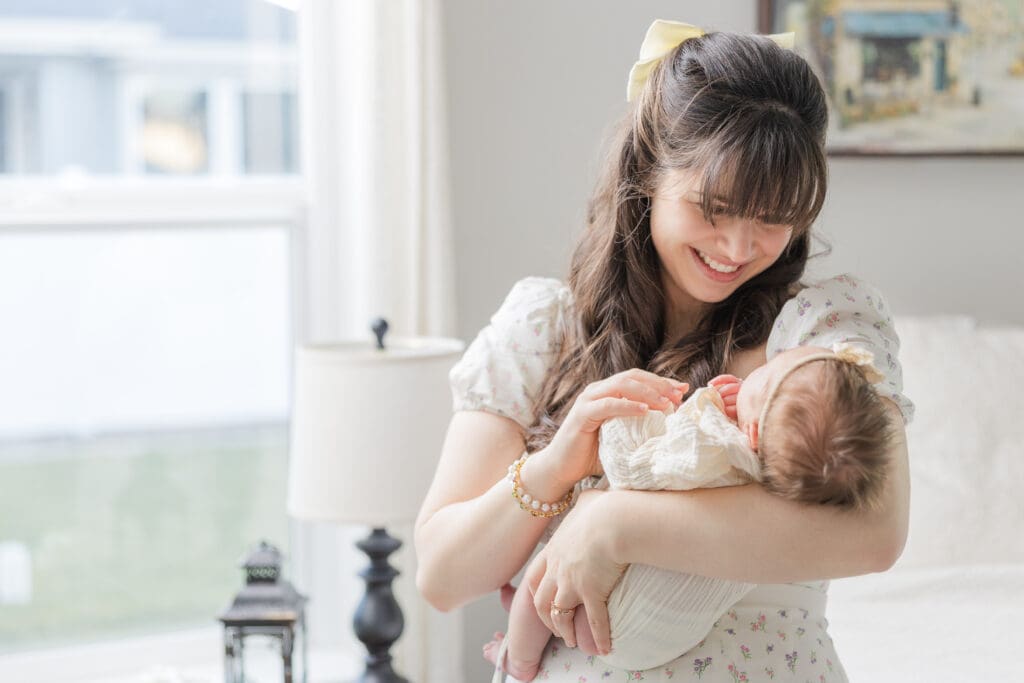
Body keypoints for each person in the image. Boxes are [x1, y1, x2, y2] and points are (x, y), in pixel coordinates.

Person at [414, 19, 914, 682]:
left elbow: (877, 534)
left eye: (772, 217)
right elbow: (441, 576)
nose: (738, 247)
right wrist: (555, 468)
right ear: (648, 172)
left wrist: (612, 524)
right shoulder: (543, 330)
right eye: (714, 207)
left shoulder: (816, 334)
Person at [482, 341, 896, 680]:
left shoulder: (715, 447)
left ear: (752, 432)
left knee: (543, 578)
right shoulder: (785, 491)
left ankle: (517, 658)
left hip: (620, 624)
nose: (758, 371)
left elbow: (638, 468)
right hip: (668, 633)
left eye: (765, 375)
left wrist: (645, 419)